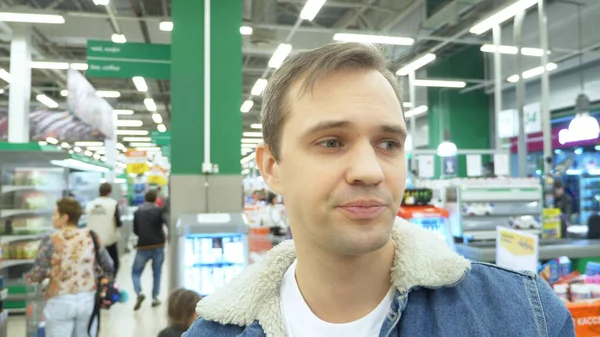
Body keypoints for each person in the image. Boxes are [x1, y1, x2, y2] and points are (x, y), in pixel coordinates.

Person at [184, 43, 574, 336]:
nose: (370, 171)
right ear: (271, 167)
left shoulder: (525, 317)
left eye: (388, 144)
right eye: (331, 142)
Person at [30, 198, 114, 337]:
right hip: (87, 299)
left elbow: (37, 273)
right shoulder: (92, 237)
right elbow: (109, 265)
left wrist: (46, 277)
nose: (52, 218)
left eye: (55, 214)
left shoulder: (51, 240)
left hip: (59, 300)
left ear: (65, 217)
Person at [132, 189, 168, 310]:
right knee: (157, 272)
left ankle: (139, 292)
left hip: (143, 245)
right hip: (158, 244)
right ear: (155, 199)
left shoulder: (137, 211)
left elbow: (135, 230)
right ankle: (155, 298)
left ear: (145, 199)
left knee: (136, 272)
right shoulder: (158, 210)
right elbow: (165, 223)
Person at [86, 182, 123, 276]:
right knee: (113, 263)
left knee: (95, 263)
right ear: (109, 192)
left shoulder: (90, 205)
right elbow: (118, 222)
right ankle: (110, 282)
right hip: (108, 239)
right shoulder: (113, 204)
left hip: (92, 239)